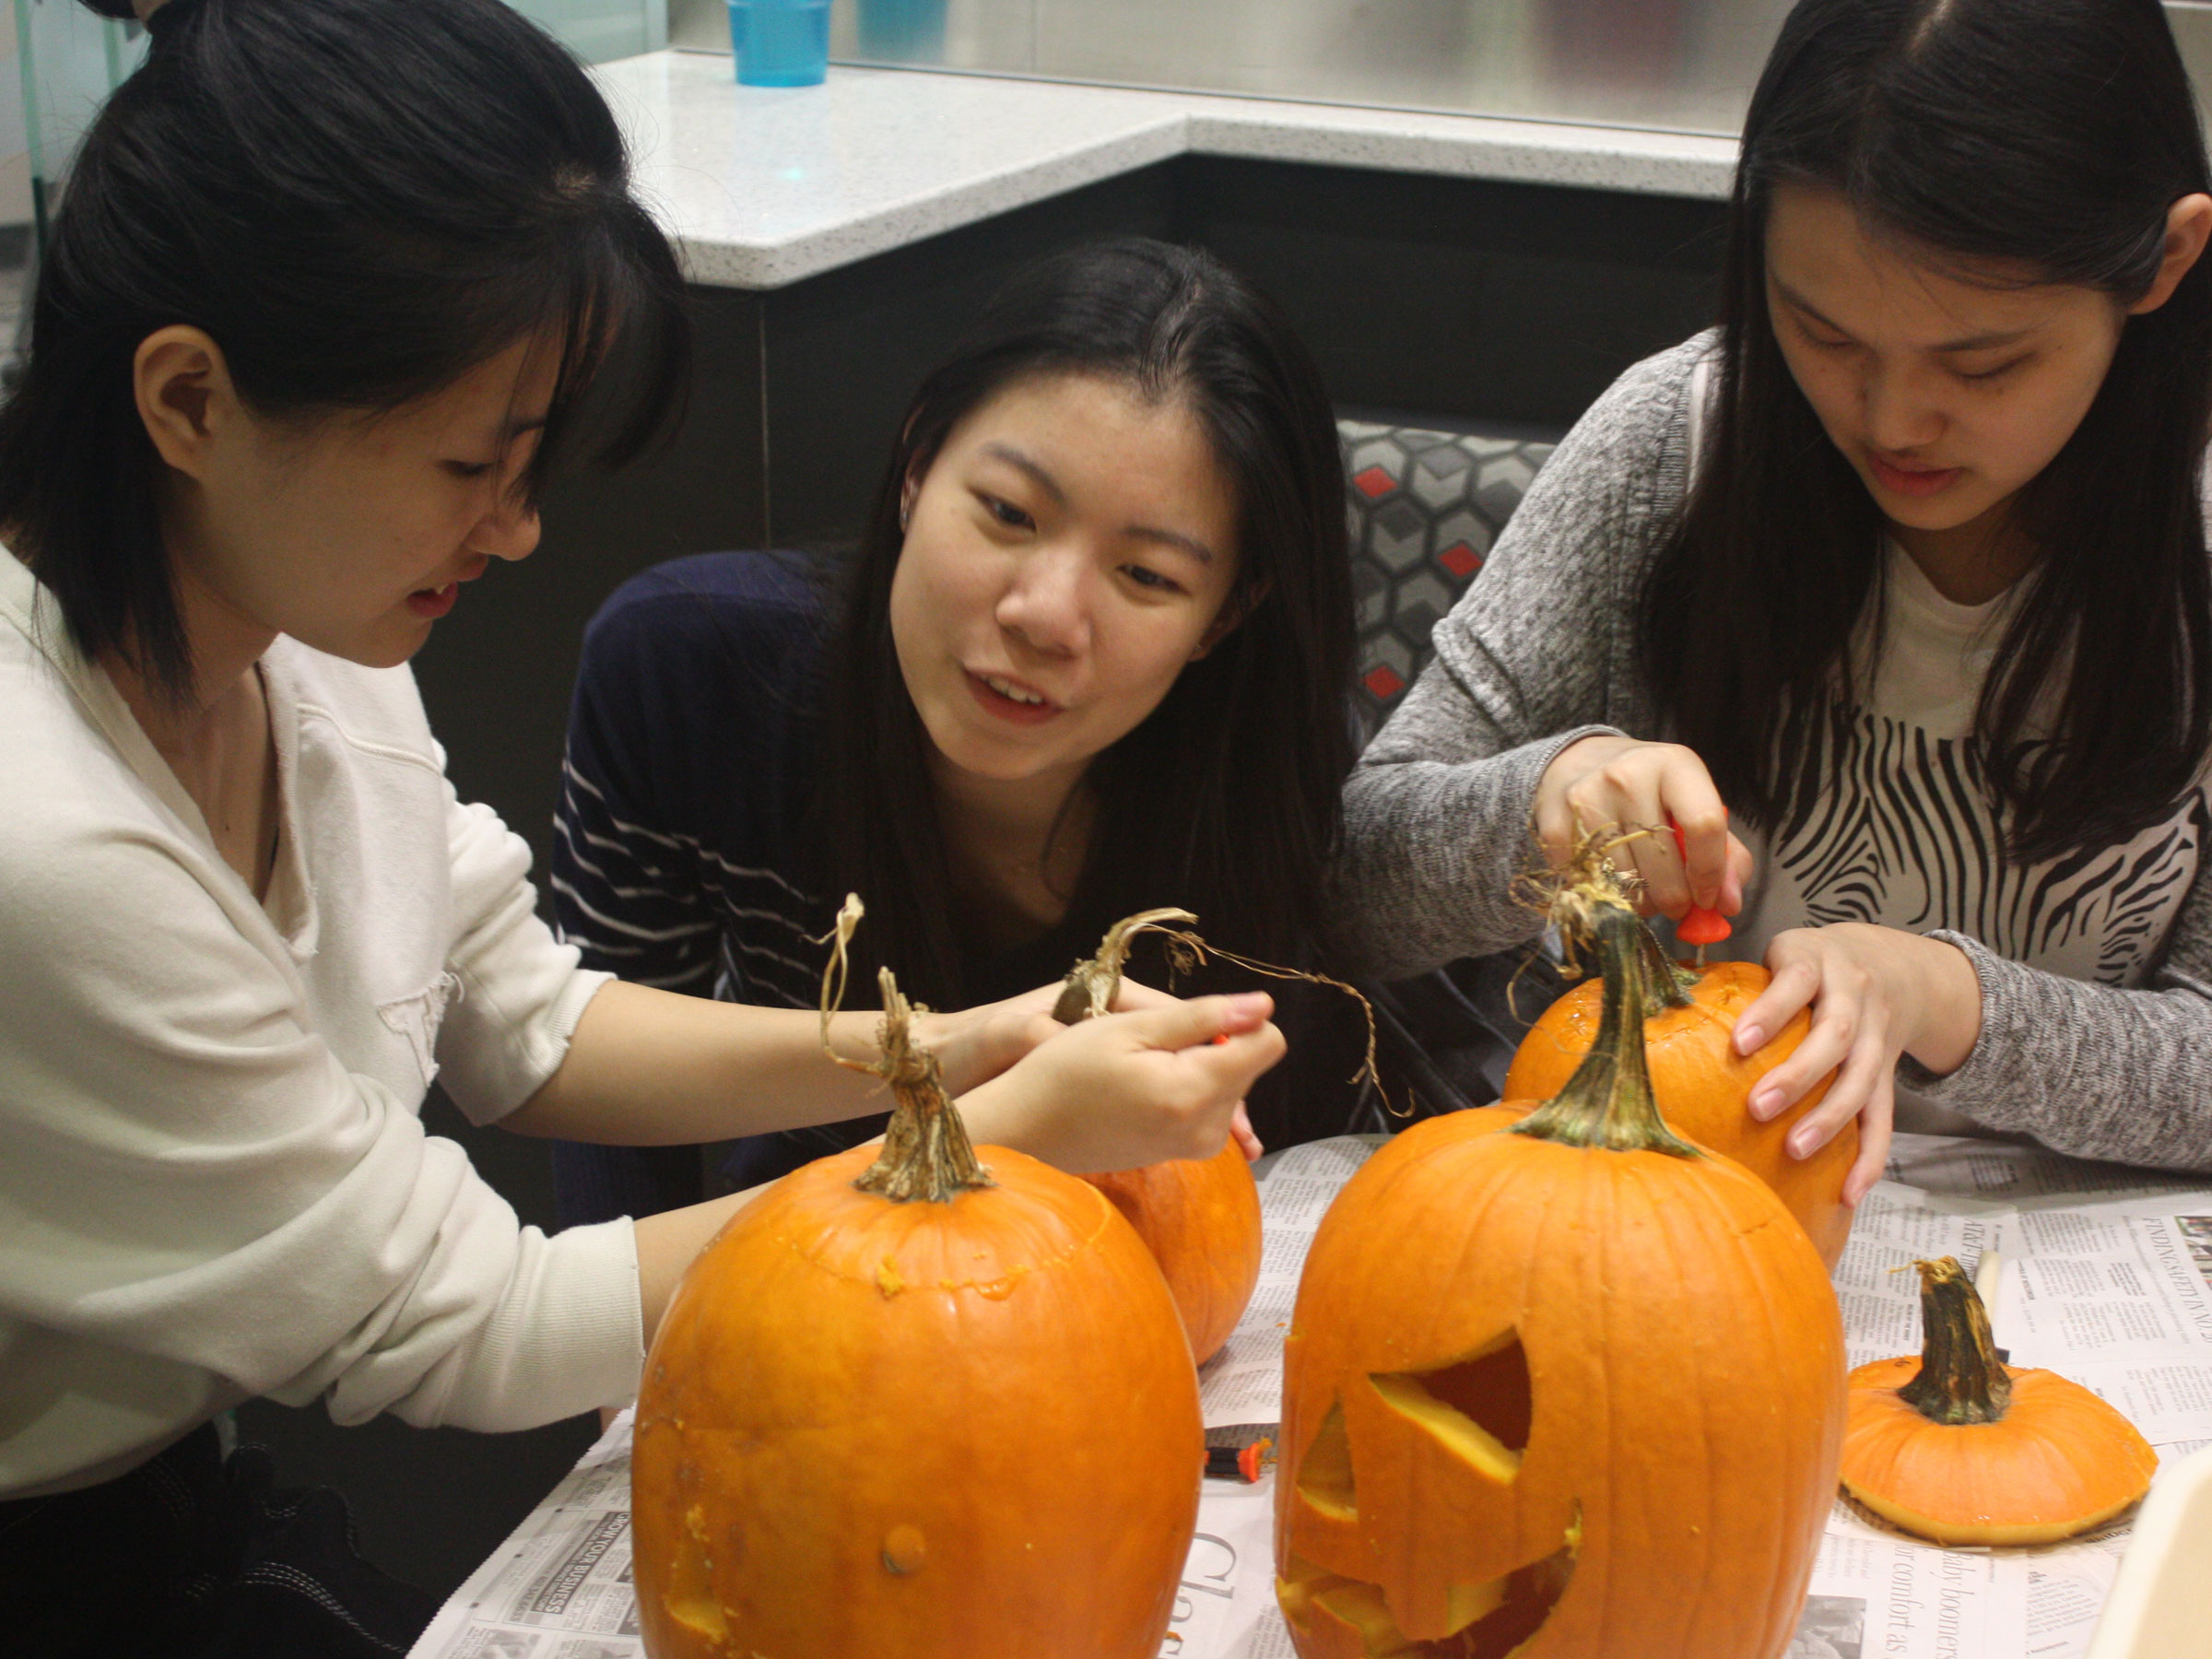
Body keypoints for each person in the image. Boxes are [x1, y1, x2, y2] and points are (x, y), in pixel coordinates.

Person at [0, 3, 1282, 1652]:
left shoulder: (293, 628)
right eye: (472, 462)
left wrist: (950, 1052)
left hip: (180, 1492)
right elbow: (463, 1320)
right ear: (188, 401)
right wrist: (994, 1141)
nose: (519, 530)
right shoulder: (52, 846)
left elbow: (517, 1019)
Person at [1340, 0, 2212, 1201]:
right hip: (1646, 1213)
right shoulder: (1674, 447)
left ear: (2166, 260)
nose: (1894, 422)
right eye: (1823, 331)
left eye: (1983, 363)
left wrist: (1944, 1001)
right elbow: (1349, 879)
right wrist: (1546, 803)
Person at [548, 236, 1364, 1226]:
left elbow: (1258, 1193)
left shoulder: (1273, 786)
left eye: (1147, 576)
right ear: (917, 461)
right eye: (1009, 513)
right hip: (769, 1271)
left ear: (1225, 617)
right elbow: (593, 1096)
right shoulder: (685, 674)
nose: (1044, 616)